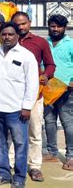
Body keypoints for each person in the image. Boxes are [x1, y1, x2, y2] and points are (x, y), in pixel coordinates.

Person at [0, 22, 39, 188]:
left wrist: (27, 106)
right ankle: (4, 174)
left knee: (20, 144)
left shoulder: (26, 56)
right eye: (4, 34)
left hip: (16, 110)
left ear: (17, 36)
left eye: (10, 34)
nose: (6, 37)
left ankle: (19, 178)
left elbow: (32, 83)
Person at [11, 11, 56, 182]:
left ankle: (35, 166)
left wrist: (46, 75)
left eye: (24, 23)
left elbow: (50, 64)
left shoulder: (40, 42)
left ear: (29, 22)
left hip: (34, 95)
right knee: (11, 132)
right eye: (18, 24)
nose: (21, 27)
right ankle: (11, 163)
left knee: (35, 131)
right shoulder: (8, 40)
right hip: (11, 95)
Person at [44, 14, 73, 171]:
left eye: (58, 26)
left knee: (68, 123)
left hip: (66, 89)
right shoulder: (44, 42)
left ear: (65, 28)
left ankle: (71, 156)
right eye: (52, 26)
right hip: (48, 88)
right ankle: (52, 152)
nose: (55, 29)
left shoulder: (71, 43)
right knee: (49, 122)